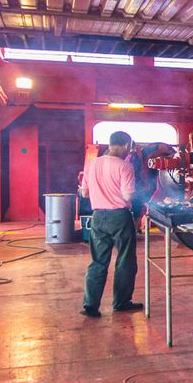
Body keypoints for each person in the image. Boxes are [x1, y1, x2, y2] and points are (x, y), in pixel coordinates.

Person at [79, 131, 142, 317]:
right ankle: (121, 302)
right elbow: (128, 195)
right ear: (124, 145)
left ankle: (90, 305)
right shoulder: (125, 166)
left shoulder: (92, 164)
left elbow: (84, 194)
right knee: (125, 260)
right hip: (120, 217)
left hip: (97, 217)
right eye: (128, 148)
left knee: (97, 261)